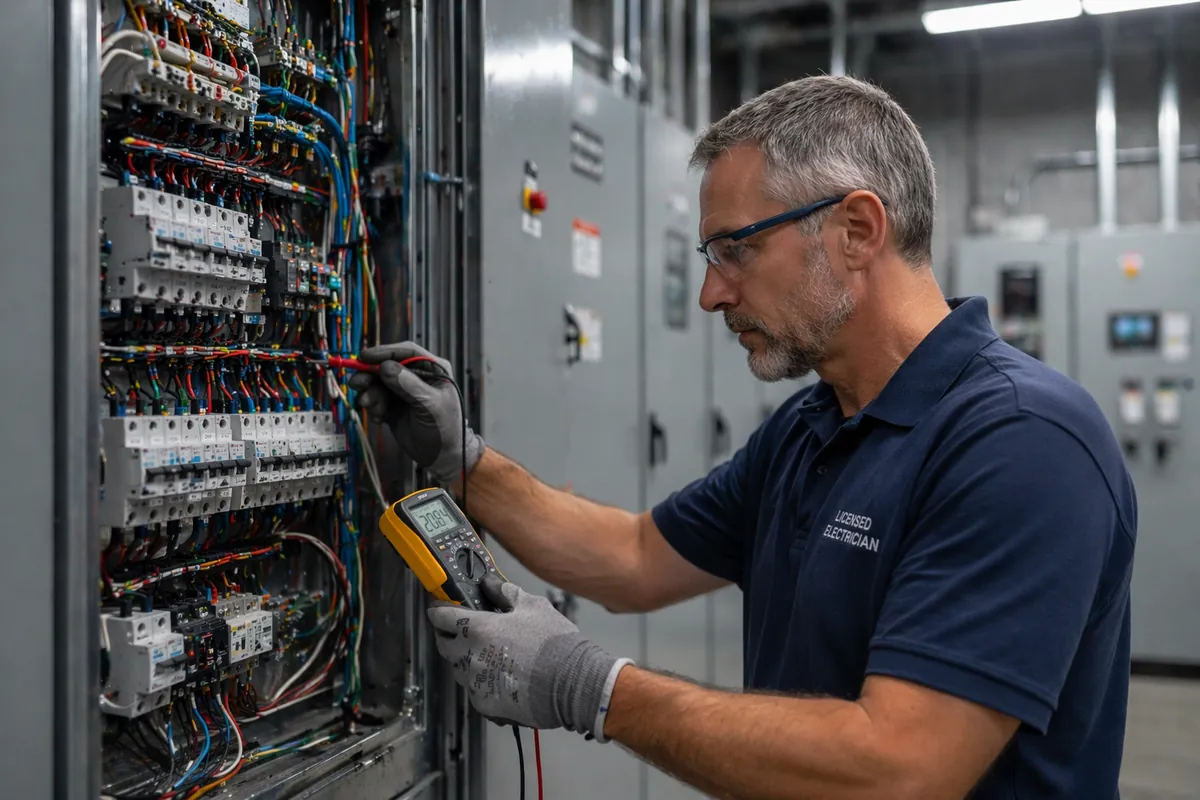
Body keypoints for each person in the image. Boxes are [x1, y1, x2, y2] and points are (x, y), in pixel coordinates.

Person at [349, 75, 1136, 799]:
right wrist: (464, 460)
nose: (710, 293)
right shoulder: (811, 426)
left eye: (737, 248)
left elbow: (900, 769)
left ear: (857, 230)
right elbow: (635, 556)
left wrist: (593, 688)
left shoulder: (1023, 442)